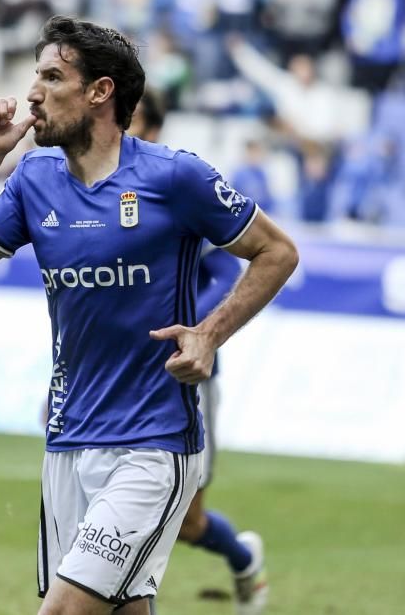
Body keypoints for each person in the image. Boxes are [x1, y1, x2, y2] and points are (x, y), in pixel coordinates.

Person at [0, 16, 298, 615]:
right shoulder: (33, 180)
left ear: (100, 91)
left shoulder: (175, 176)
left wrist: (208, 334)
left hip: (152, 443)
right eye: (34, 76)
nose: (32, 94)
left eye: (51, 77)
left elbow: (277, 252)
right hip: (68, 441)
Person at [130, 89, 269, 615]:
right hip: (116, 374)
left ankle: (241, 559)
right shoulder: (91, 187)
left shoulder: (175, 186)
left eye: (135, 120)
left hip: (181, 373)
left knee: (185, 521)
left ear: (156, 128)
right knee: (111, 515)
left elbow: (227, 269)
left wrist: (194, 328)